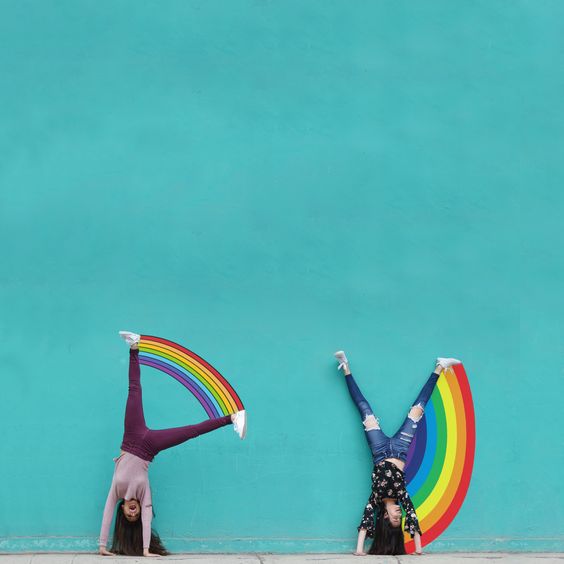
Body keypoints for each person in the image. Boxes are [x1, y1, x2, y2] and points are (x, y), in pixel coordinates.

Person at [99, 331, 247, 557]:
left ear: (123, 509)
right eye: (134, 517)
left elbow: (106, 512)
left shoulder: (116, 492)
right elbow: (148, 517)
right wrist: (146, 550)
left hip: (130, 439)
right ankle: (232, 418)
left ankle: (134, 346)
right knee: (191, 432)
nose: (132, 514)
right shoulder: (143, 494)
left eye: (128, 515)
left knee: (134, 391)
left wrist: (102, 546)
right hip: (148, 448)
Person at [334, 350, 461, 556]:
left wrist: (360, 550)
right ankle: (440, 367)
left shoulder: (375, 498)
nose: (399, 514)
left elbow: (365, 523)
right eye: (399, 518)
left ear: (385, 517)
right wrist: (418, 549)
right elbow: (413, 519)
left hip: (379, 450)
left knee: (364, 409)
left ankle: (345, 367)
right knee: (418, 410)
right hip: (400, 449)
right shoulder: (402, 496)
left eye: (395, 517)